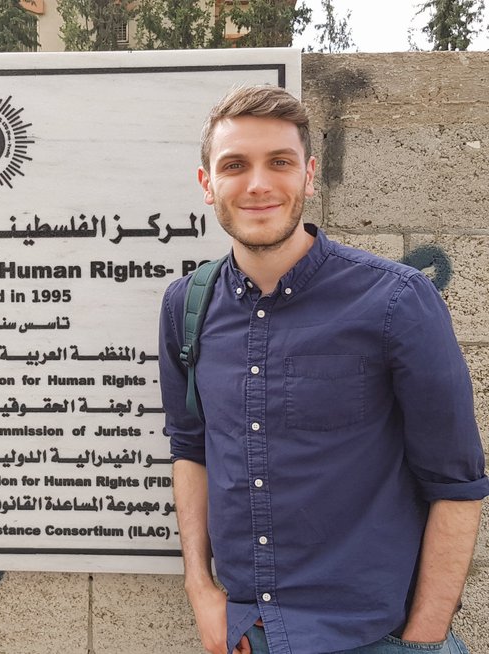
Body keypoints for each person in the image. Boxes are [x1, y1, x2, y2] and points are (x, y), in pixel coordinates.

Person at [158, 85, 488, 654]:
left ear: (309, 175)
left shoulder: (396, 301)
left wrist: (423, 640)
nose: (258, 183)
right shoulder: (186, 306)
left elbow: (457, 484)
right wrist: (201, 589)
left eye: (279, 162)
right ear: (207, 184)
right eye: (235, 165)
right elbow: (191, 449)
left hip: (375, 637)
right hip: (247, 635)